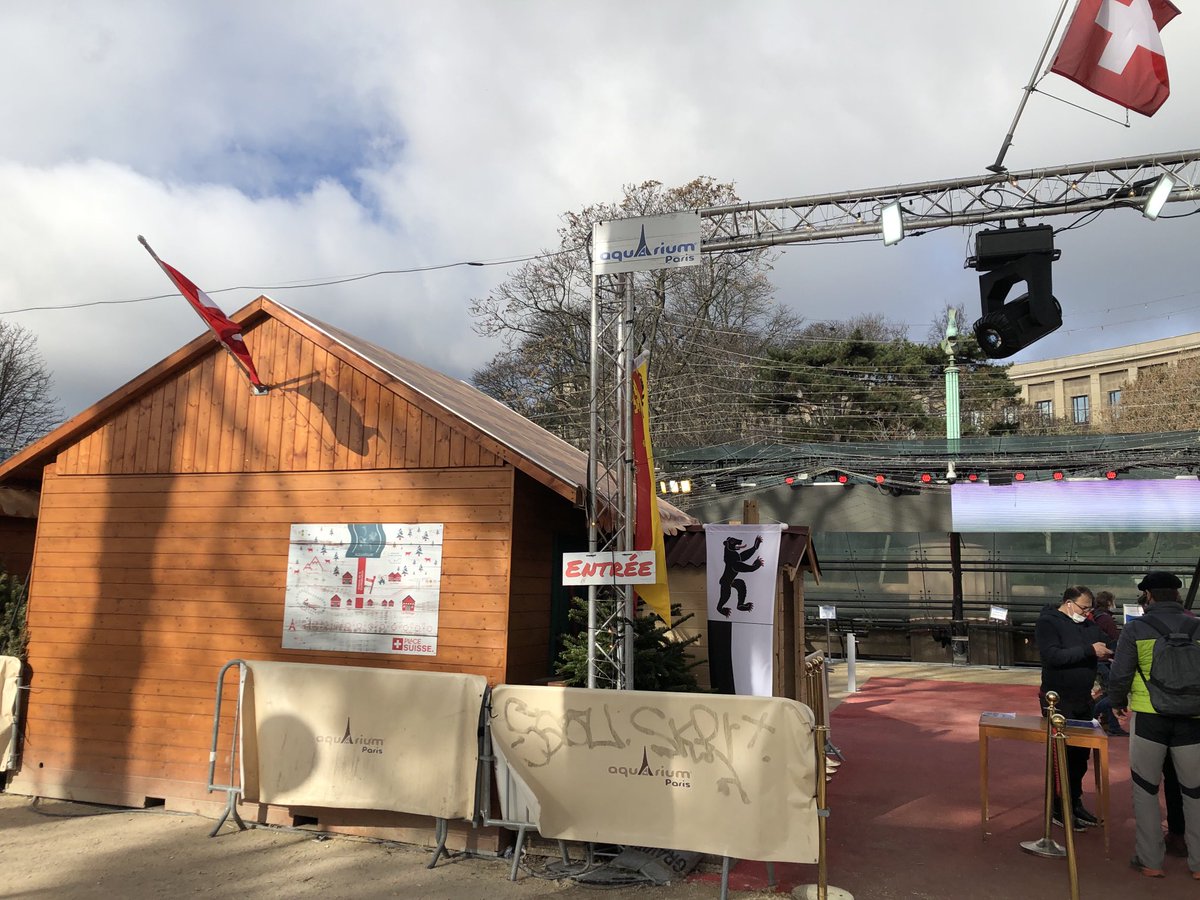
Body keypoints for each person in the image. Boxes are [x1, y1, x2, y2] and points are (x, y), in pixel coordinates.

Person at [1109, 571, 1200, 879]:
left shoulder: (1137, 629)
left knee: (1146, 789)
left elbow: (1120, 673)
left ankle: (1150, 861)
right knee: (1195, 792)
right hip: (1192, 720)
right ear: (1176, 595)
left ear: (1147, 597)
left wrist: (1117, 701)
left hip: (1150, 718)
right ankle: (1198, 863)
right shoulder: (1197, 626)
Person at [1035, 585, 1111, 830]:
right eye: (1083, 607)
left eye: (1089, 608)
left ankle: (1074, 800)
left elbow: (1106, 641)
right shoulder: (1048, 623)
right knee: (1061, 755)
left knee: (1081, 755)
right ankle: (1058, 805)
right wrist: (1089, 650)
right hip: (1058, 699)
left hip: (1083, 699)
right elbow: (1052, 656)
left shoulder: (1088, 625)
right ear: (1068, 603)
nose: (1086, 613)